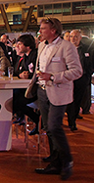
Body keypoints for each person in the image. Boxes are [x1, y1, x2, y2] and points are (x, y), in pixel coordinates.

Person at [33, 18, 82, 180]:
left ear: (53, 30)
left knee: (54, 127)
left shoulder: (66, 47)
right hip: (42, 91)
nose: (40, 31)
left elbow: (77, 71)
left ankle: (67, 160)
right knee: (48, 128)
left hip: (58, 91)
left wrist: (53, 77)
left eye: (43, 28)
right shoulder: (41, 45)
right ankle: (56, 161)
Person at [11, 34, 39, 135]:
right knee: (13, 98)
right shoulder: (26, 57)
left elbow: (36, 72)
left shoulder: (35, 56)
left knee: (16, 101)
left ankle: (38, 120)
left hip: (36, 90)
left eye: (20, 44)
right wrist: (21, 74)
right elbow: (19, 71)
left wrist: (29, 75)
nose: (17, 46)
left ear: (28, 46)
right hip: (27, 87)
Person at [67, 29, 91, 131]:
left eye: (76, 36)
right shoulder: (66, 49)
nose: (73, 39)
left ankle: (73, 118)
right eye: (72, 36)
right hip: (68, 78)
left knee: (78, 99)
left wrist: (88, 73)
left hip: (82, 78)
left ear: (80, 38)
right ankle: (71, 120)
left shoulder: (86, 49)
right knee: (69, 100)